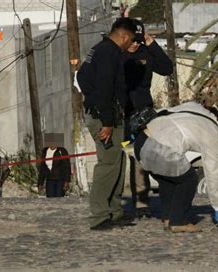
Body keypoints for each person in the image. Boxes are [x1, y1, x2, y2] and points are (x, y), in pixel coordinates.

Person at [132, 102, 218, 233]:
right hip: (157, 148)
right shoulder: (212, 134)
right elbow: (212, 174)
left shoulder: (197, 108)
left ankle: (168, 218)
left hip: (141, 142)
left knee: (169, 178)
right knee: (189, 179)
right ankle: (179, 221)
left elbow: (165, 110)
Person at [77, 17, 137, 231]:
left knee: (118, 161)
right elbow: (104, 88)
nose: (130, 45)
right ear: (123, 36)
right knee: (108, 164)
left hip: (110, 116)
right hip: (105, 119)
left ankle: (114, 210)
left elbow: (83, 78)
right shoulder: (109, 53)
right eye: (130, 40)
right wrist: (107, 122)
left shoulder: (99, 49)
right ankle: (100, 215)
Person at [123, 19, 173, 218]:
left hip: (145, 113)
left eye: (139, 40)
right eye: (132, 40)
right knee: (128, 159)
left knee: (145, 158)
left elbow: (167, 68)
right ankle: (130, 204)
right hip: (125, 114)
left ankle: (145, 203)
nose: (135, 44)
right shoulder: (117, 55)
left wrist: (152, 44)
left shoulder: (146, 53)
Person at [37, 134, 71, 198]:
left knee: (59, 198)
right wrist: (40, 183)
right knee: (50, 199)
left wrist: (67, 181)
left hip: (60, 180)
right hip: (49, 180)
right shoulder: (45, 151)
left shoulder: (62, 151)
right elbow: (42, 168)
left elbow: (66, 167)